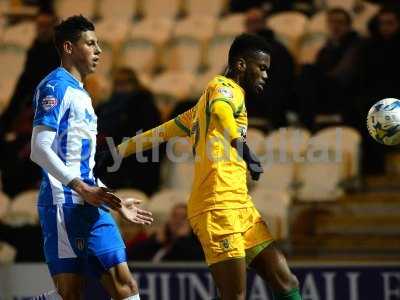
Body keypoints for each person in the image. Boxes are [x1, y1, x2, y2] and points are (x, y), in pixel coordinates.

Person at [97, 33, 301, 300]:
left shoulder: (197, 111)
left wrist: (116, 151)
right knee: (234, 295)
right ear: (241, 65)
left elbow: (159, 133)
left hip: (240, 204)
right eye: (261, 67)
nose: (265, 75)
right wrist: (245, 150)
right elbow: (221, 110)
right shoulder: (224, 89)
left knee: (285, 281)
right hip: (217, 206)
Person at [30, 15, 153, 300]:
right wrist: (80, 187)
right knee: (71, 294)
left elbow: (80, 163)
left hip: (90, 201)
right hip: (63, 203)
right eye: (90, 44)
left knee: (126, 287)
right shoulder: (55, 87)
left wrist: (115, 201)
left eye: (98, 44)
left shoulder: (82, 94)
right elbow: (39, 148)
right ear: (69, 48)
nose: (99, 51)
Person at [96, 67, 161, 195]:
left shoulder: (146, 107)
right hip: (111, 167)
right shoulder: (106, 108)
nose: (122, 87)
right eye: (119, 83)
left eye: (127, 82)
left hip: (139, 168)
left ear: (135, 84)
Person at [295, 8, 361, 130]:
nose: (336, 26)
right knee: (304, 74)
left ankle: (306, 121)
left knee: (307, 74)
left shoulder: (356, 44)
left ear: (348, 25)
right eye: (332, 22)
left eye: (340, 22)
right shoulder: (327, 48)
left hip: (347, 90)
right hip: (327, 90)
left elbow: (344, 74)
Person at [128, 203, 204, 262]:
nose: (178, 221)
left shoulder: (196, 241)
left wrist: (183, 239)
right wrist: (155, 241)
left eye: (183, 217)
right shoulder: (159, 238)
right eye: (175, 216)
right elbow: (131, 255)